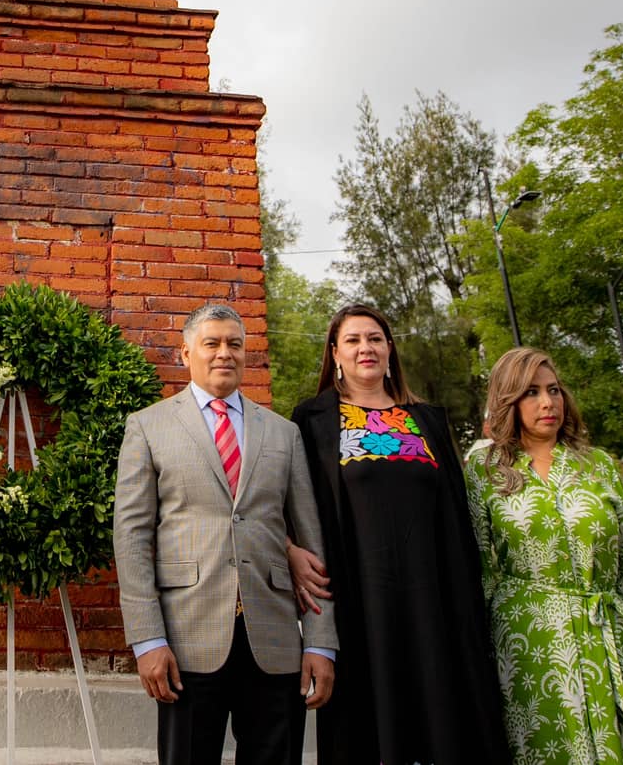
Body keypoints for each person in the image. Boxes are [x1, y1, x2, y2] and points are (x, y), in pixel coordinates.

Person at [287, 303, 512, 765]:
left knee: (444, 721)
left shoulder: (427, 419)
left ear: (390, 349)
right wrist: (289, 549)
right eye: (353, 340)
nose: (365, 348)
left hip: (436, 601)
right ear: (335, 354)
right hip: (359, 604)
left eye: (375, 338)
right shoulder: (312, 421)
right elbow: (288, 503)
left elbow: (455, 514)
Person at [113, 302, 336, 765]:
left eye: (235, 344)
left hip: (274, 639)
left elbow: (310, 542)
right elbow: (132, 539)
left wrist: (319, 640)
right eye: (211, 343)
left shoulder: (283, 433)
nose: (224, 353)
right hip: (186, 639)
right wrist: (147, 640)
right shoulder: (148, 426)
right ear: (185, 353)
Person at [464, 346, 623, 765]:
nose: (548, 403)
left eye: (554, 390)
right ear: (508, 400)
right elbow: (480, 573)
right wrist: (481, 661)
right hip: (528, 651)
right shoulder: (484, 470)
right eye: (531, 393)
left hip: (613, 639)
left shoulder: (597, 465)